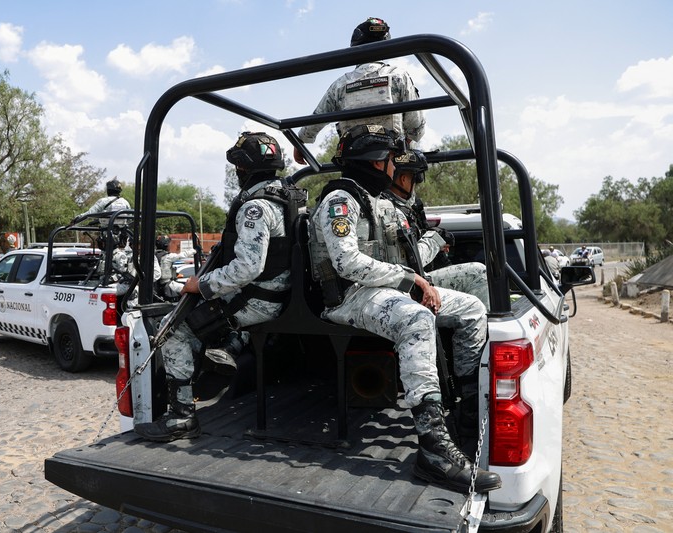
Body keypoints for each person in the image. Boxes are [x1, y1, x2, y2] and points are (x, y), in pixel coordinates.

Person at [308, 124, 500, 493]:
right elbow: (346, 262)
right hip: (349, 296)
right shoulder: (340, 201)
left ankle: (466, 415)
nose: (398, 169)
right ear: (377, 162)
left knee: (473, 308)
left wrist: (415, 269)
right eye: (394, 160)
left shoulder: (377, 201)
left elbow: (404, 256)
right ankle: (433, 449)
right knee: (416, 316)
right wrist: (411, 280)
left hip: (380, 289)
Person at [134, 132, 306, 442]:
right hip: (284, 295)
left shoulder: (255, 208)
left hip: (259, 299)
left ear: (244, 169)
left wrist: (201, 284)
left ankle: (182, 416)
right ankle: (227, 349)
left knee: (174, 331)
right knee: (212, 318)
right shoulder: (288, 196)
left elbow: (247, 267)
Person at [292, 17, 426, 165]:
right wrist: (402, 146)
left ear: (354, 46)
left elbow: (318, 117)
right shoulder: (399, 77)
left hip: (352, 161)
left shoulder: (340, 84)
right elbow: (416, 126)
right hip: (389, 162)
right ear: (387, 47)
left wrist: (301, 142)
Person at [381, 148, 491, 311]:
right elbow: (408, 261)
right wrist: (435, 239)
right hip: (406, 284)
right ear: (404, 179)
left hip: (408, 281)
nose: (415, 186)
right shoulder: (390, 211)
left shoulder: (402, 207)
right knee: (478, 273)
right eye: (414, 179)